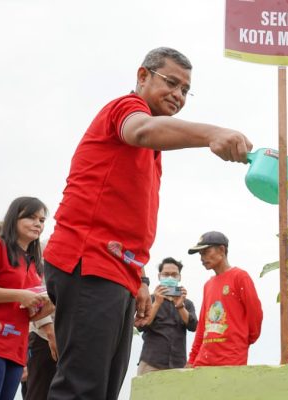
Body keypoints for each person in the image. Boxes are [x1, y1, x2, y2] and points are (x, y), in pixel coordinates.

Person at [42, 47, 252, 399]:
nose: (178, 95)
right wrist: (211, 133)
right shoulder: (126, 110)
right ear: (143, 76)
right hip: (89, 262)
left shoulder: (152, 148)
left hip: (116, 271)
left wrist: (138, 277)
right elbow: (141, 130)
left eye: (185, 90)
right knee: (81, 387)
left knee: (105, 387)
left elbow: (126, 217)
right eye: (171, 83)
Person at [0, 197, 54, 400]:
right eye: (31, 217)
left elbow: (31, 314)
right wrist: (20, 295)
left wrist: (50, 304)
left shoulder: (33, 263)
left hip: (15, 350)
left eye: (42, 220)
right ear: (14, 219)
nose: (38, 223)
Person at [186, 231, 263, 366]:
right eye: (200, 254)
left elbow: (255, 315)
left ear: (222, 250)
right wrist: (192, 359)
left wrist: (242, 342)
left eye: (205, 252)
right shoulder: (208, 285)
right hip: (204, 360)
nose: (202, 258)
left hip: (231, 359)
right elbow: (202, 326)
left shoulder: (240, 277)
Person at [137, 257, 198, 375]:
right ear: (159, 276)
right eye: (166, 274)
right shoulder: (150, 299)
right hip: (151, 362)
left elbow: (193, 326)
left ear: (179, 277)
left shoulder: (187, 303)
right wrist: (157, 303)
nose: (170, 278)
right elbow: (142, 326)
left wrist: (180, 306)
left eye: (174, 275)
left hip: (178, 363)